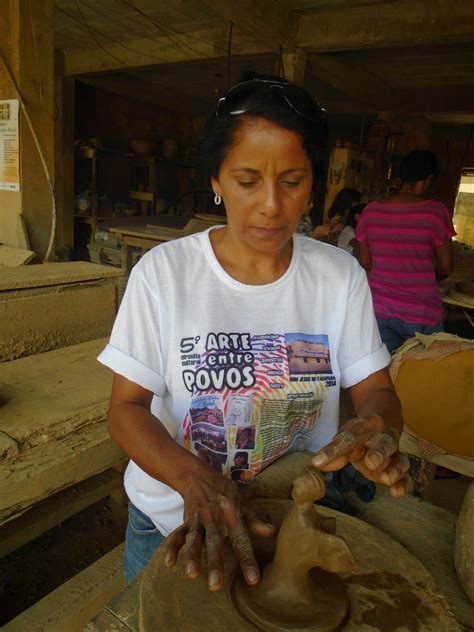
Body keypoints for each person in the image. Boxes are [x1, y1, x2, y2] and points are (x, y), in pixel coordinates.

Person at [98, 78, 410, 594]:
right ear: (216, 180)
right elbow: (125, 409)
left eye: (291, 181)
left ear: (314, 184)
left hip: (293, 520)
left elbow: (376, 391)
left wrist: (379, 428)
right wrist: (195, 480)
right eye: (247, 181)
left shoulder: (339, 277)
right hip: (173, 523)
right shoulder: (164, 274)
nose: (270, 205)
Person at [356, 149, 455, 354]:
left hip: (379, 311)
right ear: (428, 179)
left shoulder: (371, 210)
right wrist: (424, 275)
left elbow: (365, 261)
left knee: (383, 374)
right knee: (421, 376)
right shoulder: (435, 212)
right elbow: (446, 268)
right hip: (422, 315)